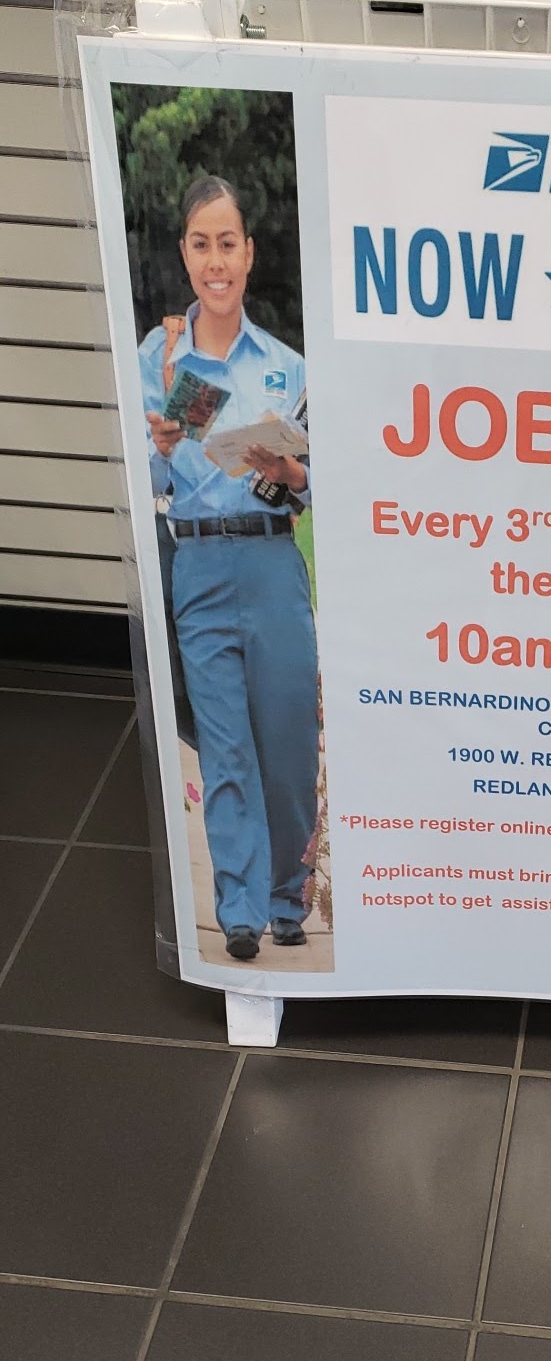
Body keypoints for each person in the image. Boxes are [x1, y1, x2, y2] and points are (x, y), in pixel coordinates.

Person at [139, 174, 318, 964]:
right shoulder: (159, 358)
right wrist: (160, 449)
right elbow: (143, 478)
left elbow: (313, 485)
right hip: (200, 565)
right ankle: (240, 908)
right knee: (226, 748)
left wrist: (291, 470)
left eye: (227, 244)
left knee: (287, 740)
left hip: (273, 559)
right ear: (185, 255)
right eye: (200, 245)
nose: (215, 262)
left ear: (249, 253)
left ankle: (287, 897)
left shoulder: (287, 366)